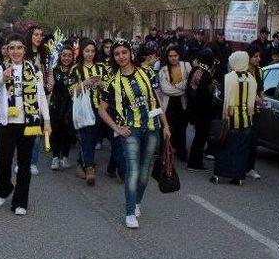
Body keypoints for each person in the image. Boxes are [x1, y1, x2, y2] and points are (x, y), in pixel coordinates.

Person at [98, 39, 171, 229]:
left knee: (145, 172)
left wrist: (165, 126)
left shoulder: (147, 73)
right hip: (130, 130)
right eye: (117, 54)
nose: (121, 56)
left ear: (130, 53)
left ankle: (137, 202)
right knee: (133, 171)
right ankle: (130, 212)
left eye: (124, 52)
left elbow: (156, 101)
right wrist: (117, 128)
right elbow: (102, 110)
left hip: (153, 127)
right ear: (113, 57)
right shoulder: (113, 82)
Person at [0, 34, 51, 215]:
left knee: (24, 164)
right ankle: (3, 188)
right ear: (7, 51)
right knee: (4, 162)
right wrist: (4, 77)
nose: (15, 51)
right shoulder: (0, 67)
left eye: (19, 48)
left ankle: (20, 202)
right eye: (12, 48)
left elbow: (40, 95)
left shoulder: (33, 69)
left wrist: (47, 121)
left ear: (24, 50)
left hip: (28, 123)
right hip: (7, 123)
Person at [211, 51, 256, 185]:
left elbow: (219, 97)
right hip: (247, 119)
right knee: (241, 150)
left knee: (224, 147)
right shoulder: (251, 78)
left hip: (230, 118)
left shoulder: (228, 78)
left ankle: (219, 174)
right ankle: (238, 177)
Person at [69, 38, 109, 185]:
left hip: (99, 108)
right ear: (82, 52)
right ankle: (90, 168)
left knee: (92, 138)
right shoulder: (76, 69)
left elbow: (109, 86)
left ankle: (81, 163)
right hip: (82, 108)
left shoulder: (101, 67)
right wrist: (84, 84)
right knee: (85, 136)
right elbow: (70, 90)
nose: (90, 54)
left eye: (92, 51)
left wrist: (101, 84)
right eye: (87, 51)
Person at [25, 25, 52, 175]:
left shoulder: (45, 53)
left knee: (36, 131)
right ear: (30, 35)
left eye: (41, 35)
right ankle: (23, 161)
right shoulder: (23, 53)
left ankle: (33, 162)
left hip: (40, 97)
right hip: (25, 96)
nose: (39, 37)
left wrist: (49, 85)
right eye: (36, 34)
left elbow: (50, 72)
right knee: (23, 132)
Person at [157, 45, 192, 161]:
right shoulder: (163, 70)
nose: (173, 58)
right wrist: (181, 88)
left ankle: (181, 152)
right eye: (170, 56)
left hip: (182, 103)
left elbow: (189, 83)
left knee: (181, 128)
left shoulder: (186, 66)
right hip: (169, 104)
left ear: (179, 56)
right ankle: (166, 152)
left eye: (175, 55)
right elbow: (165, 89)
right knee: (168, 127)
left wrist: (176, 86)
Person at [186, 50, 217, 170]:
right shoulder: (206, 74)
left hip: (194, 109)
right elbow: (204, 95)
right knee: (201, 137)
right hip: (203, 111)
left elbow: (190, 90)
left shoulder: (195, 70)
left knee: (198, 136)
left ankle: (194, 161)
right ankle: (195, 163)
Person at [49, 45, 76, 170]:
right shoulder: (54, 70)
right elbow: (51, 87)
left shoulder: (76, 70)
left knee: (68, 132)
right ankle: (55, 157)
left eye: (69, 56)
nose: (66, 58)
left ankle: (64, 157)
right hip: (56, 105)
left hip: (70, 106)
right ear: (60, 56)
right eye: (64, 55)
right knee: (55, 132)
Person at [246, 45, 264, 180]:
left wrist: (261, 99)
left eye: (259, 56)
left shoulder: (260, 71)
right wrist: (253, 97)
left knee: (253, 140)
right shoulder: (243, 70)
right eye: (255, 56)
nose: (258, 59)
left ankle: (250, 167)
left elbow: (261, 89)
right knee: (243, 139)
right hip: (243, 109)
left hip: (256, 110)